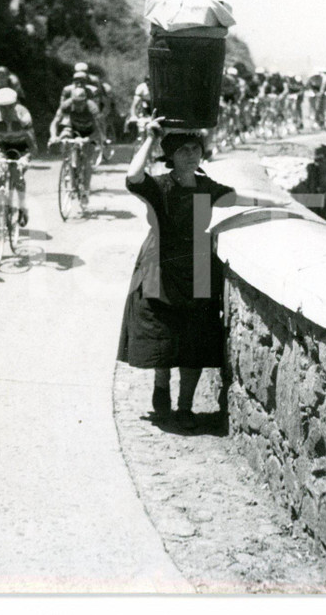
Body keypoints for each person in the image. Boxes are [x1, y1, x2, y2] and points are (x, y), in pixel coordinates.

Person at [118, 119, 266, 429]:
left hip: (198, 265)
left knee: (193, 340)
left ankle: (185, 407)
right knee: (162, 332)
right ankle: (161, 385)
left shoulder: (206, 186)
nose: (191, 154)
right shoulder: (160, 186)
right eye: (183, 149)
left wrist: (275, 206)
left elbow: (237, 199)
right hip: (160, 263)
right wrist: (150, 138)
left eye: (195, 148)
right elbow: (132, 177)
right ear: (170, 155)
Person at [0, 88, 38, 227]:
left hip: (22, 147)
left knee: (17, 175)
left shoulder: (24, 117)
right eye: (1, 107)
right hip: (2, 145)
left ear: (15, 105)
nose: (5, 111)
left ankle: (23, 206)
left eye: (9, 107)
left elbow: (34, 148)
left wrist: (26, 158)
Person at [50, 87, 100, 205]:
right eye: (75, 103)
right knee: (66, 139)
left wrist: (87, 139)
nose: (78, 106)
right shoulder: (66, 105)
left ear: (85, 101)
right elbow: (55, 122)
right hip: (74, 130)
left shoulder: (92, 108)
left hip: (89, 134)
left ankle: (85, 192)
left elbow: (98, 132)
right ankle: (70, 170)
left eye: (80, 103)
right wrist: (53, 136)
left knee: (87, 162)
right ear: (72, 101)